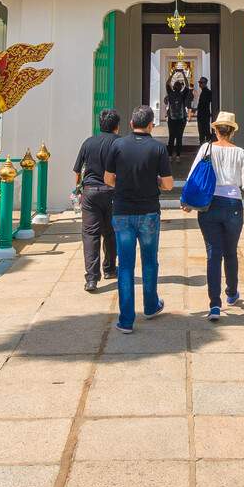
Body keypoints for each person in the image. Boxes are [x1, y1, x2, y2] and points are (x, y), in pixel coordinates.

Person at [185, 111, 244, 321]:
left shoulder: (206, 148)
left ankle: (214, 304)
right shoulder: (239, 152)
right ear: (231, 131)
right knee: (230, 252)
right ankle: (231, 293)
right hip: (233, 205)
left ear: (216, 130)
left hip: (209, 205)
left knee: (213, 254)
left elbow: (193, 176)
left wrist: (187, 202)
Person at [105, 104, 173, 333]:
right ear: (151, 125)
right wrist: (152, 182)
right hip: (148, 212)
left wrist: (123, 185)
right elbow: (168, 184)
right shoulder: (158, 148)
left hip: (123, 211)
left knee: (125, 266)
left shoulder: (118, 145)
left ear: (132, 124)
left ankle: (126, 320)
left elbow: (108, 179)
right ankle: (151, 305)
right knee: (150, 261)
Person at [72, 109, 120, 292]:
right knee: (111, 232)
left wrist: (78, 190)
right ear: (117, 126)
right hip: (112, 192)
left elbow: (77, 171)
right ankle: (109, 269)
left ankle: (91, 278)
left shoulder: (88, 142)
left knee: (91, 235)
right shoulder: (119, 143)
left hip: (90, 193)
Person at [164, 77, 191, 156]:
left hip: (172, 119)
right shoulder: (182, 95)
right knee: (179, 137)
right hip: (181, 119)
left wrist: (172, 74)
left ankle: (170, 155)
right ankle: (178, 155)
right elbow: (187, 85)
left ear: (173, 87)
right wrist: (183, 74)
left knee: (171, 137)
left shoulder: (170, 93)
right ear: (180, 87)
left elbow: (167, 83)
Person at [195, 78, 215, 145]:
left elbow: (204, 104)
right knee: (204, 132)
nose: (199, 84)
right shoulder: (204, 91)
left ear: (205, 83)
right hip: (203, 114)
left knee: (203, 132)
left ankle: (204, 147)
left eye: (201, 83)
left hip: (203, 115)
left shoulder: (207, 92)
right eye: (199, 82)